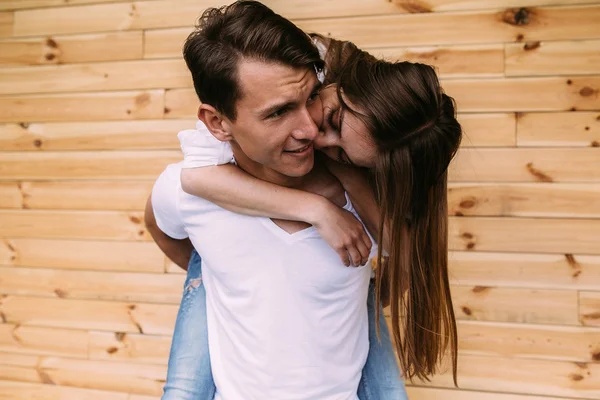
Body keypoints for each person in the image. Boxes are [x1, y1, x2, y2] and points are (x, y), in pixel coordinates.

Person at [178, 7, 462, 393]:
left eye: (345, 156)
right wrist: (316, 210)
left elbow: (403, 251)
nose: (315, 136)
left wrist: (346, 175)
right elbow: (193, 178)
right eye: (330, 119)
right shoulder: (302, 63)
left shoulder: (378, 143)